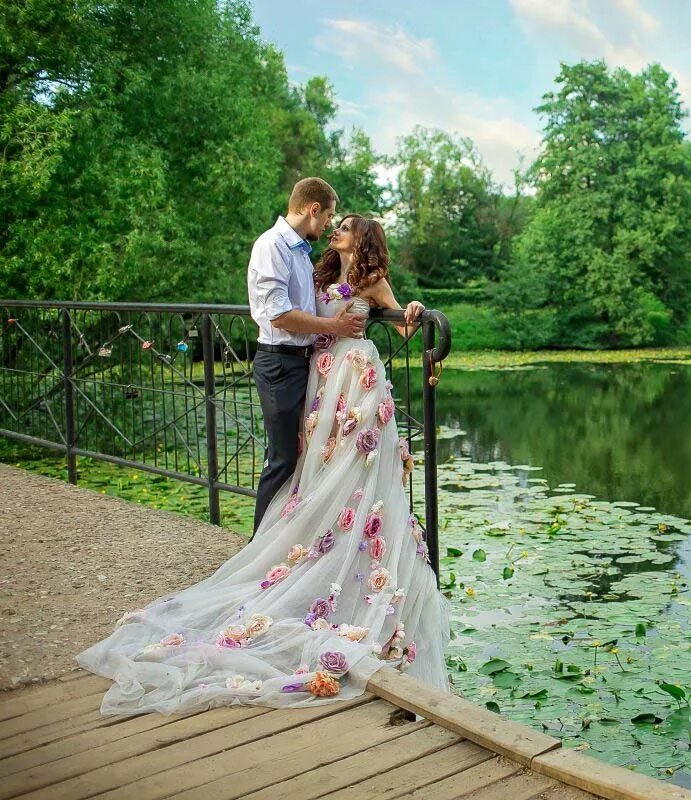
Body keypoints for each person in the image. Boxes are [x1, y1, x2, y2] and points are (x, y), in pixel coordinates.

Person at [76, 192, 450, 714]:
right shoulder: (319, 273)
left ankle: (356, 548)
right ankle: (294, 548)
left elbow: (404, 326)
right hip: (323, 374)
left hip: (355, 374)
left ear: (361, 240)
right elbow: (289, 313)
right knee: (313, 466)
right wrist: (331, 330)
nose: (335, 230)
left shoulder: (370, 280)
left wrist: (410, 311)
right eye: (333, 222)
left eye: (344, 227)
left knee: (354, 466)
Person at [247, 178, 364, 536]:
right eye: (329, 216)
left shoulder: (300, 252)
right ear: (313, 209)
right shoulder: (272, 246)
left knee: (304, 455)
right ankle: (258, 546)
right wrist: (335, 326)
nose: (330, 224)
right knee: (282, 459)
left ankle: (287, 543)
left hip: (305, 364)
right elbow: (280, 315)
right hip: (279, 364)